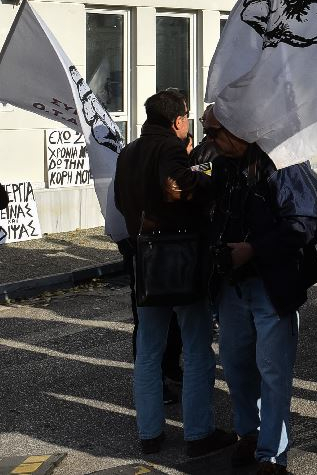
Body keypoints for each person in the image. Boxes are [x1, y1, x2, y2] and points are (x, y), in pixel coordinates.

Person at [202, 106, 317, 473]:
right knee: (238, 367)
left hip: (272, 285)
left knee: (273, 371)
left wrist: (253, 248)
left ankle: (272, 454)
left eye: (214, 132)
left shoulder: (282, 162)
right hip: (231, 286)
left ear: (240, 127)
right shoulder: (223, 165)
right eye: (206, 131)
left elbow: (304, 224)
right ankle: (250, 435)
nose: (209, 140)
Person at [113, 90, 234, 457]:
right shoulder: (169, 148)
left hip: (145, 258)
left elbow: (121, 201)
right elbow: (181, 184)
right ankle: (197, 433)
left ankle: (149, 433)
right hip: (179, 257)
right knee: (197, 348)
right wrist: (210, 173)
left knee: (148, 350)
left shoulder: (129, 152)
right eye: (186, 118)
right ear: (177, 121)